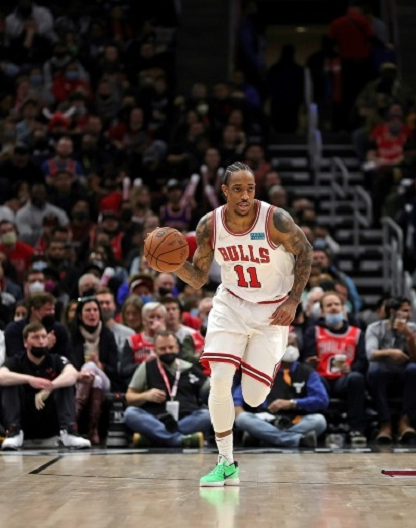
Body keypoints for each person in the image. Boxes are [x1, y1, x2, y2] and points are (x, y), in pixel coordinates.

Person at [155, 161, 312, 487]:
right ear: (224, 190)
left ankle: (264, 361)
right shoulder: (209, 225)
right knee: (220, 381)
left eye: (250, 188)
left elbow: (306, 251)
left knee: (254, 399)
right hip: (230, 305)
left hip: (272, 313)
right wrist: (171, 263)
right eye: (237, 189)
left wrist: (294, 300)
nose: (245, 195)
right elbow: (198, 278)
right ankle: (225, 461)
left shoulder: (275, 219)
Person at [0, 322, 91, 450]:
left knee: (66, 381)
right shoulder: (16, 361)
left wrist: (50, 387)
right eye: (35, 337)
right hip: (26, 419)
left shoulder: (56, 359)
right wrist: (30, 380)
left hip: (51, 418)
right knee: (9, 381)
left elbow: (72, 374)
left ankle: (69, 432)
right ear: (25, 343)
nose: (41, 341)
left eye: (44, 337)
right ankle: (14, 432)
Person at [233, 337, 329, 448]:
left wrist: (293, 403)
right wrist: (238, 410)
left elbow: (322, 400)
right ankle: (298, 440)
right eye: (286, 345)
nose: (291, 348)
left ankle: (265, 438)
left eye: (294, 344)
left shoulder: (307, 372)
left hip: (297, 420)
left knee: (319, 420)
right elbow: (239, 395)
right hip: (267, 420)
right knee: (243, 418)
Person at [301, 291, 369, 444]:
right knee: (313, 379)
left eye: (337, 304)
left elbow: (363, 361)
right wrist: (310, 362)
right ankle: (317, 429)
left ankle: (356, 429)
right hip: (322, 377)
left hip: (344, 378)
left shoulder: (356, 333)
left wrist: (351, 369)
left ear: (343, 309)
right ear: (323, 311)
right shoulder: (314, 331)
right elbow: (307, 357)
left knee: (357, 378)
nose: (333, 308)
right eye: (329, 305)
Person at [124, 330, 211, 448]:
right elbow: (129, 397)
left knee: (207, 415)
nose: (167, 351)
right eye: (162, 349)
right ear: (155, 350)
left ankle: (156, 438)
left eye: (171, 347)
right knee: (130, 413)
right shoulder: (146, 367)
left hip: (186, 418)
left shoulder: (189, 368)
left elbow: (207, 390)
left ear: (177, 348)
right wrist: (146, 395)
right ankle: (178, 440)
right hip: (156, 419)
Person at [365, 297, 416, 444]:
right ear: (392, 312)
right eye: (404, 311)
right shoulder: (375, 328)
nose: (408, 315)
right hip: (383, 372)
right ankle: (385, 423)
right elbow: (371, 354)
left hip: (404, 373)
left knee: (415, 369)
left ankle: (405, 421)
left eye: (409, 311)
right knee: (375, 371)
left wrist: (409, 336)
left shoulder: (413, 328)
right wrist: (391, 352)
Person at [69, 296, 119, 444]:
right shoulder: (73, 335)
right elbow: (70, 364)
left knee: (91, 368)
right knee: (94, 379)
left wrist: (99, 365)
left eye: (95, 310)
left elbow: (115, 369)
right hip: (80, 380)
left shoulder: (107, 335)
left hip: (107, 380)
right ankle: (93, 429)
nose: (92, 314)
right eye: (88, 310)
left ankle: (72, 420)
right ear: (80, 314)